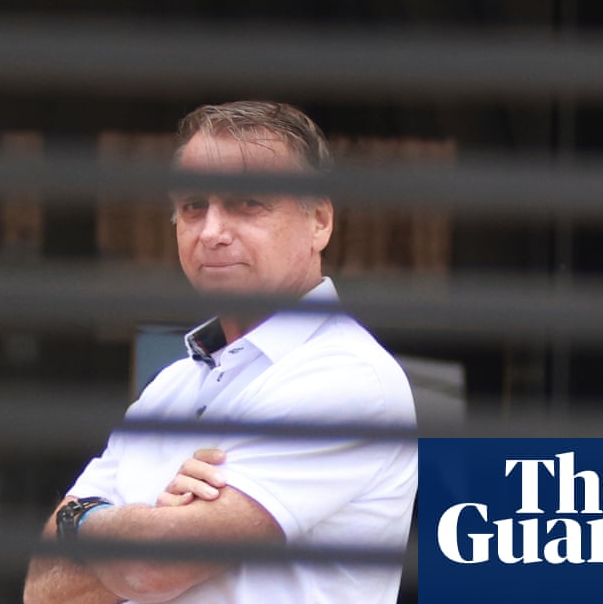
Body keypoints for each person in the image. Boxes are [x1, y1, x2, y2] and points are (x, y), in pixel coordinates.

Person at [23, 101, 417, 604]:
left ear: (319, 221)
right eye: (193, 206)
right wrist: (141, 526)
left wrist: (79, 520)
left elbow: (151, 569)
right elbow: (44, 591)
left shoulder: (348, 379)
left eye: (247, 203)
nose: (211, 232)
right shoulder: (170, 387)